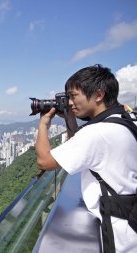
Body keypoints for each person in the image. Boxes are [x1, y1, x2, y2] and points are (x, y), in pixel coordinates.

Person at [35, 64, 137, 253]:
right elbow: (80, 147)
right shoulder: (126, 118)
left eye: (73, 96)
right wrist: (69, 117)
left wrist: (43, 124)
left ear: (98, 95)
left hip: (120, 235)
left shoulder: (97, 133)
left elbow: (44, 161)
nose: (70, 103)